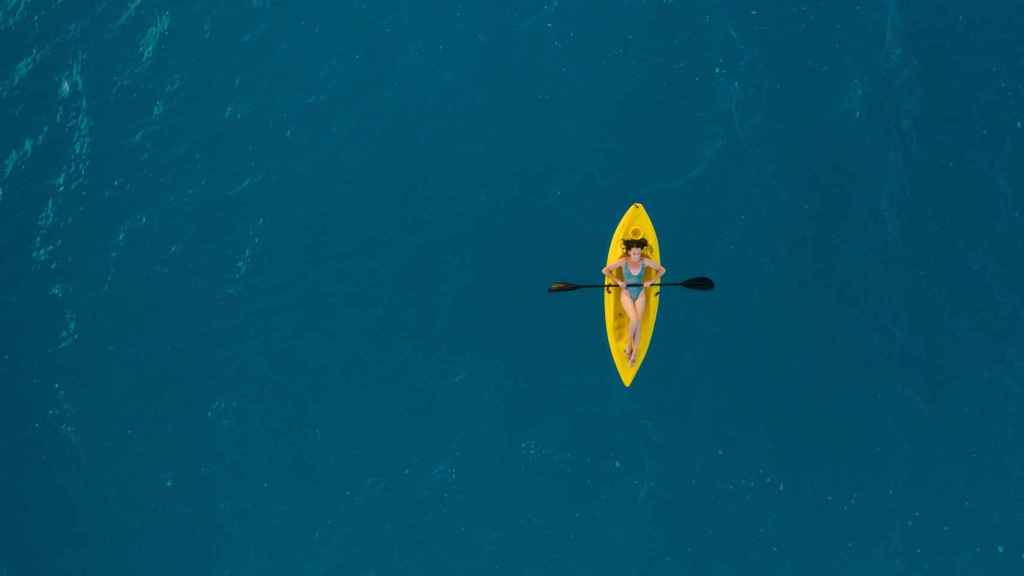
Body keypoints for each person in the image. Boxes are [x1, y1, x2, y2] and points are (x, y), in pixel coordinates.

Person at [601, 238, 666, 366]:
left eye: (639, 253)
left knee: (638, 323)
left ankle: (634, 353)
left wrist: (651, 281)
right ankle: (628, 344)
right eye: (634, 253)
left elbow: (662, 270)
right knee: (634, 319)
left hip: (640, 293)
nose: (637, 256)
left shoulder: (645, 261)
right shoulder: (624, 261)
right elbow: (605, 270)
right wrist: (618, 281)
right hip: (626, 294)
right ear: (629, 252)